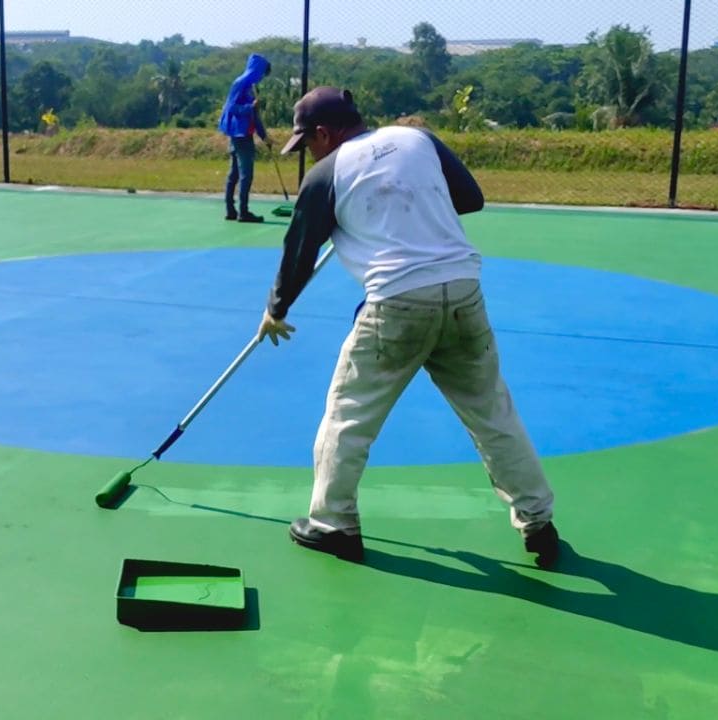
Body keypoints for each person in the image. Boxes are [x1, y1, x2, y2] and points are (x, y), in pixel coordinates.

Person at [256, 86, 560, 568]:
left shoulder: (326, 174)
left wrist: (277, 308)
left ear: (324, 133)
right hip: (463, 291)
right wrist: (407, 211)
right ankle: (538, 521)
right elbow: (470, 198)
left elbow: (300, 251)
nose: (306, 153)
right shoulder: (420, 141)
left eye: (306, 143)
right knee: (492, 414)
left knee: (349, 416)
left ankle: (333, 523)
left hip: (398, 304)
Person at [218, 53, 273, 223]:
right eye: (262, 73)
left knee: (234, 173)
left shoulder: (251, 86)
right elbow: (232, 107)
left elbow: (254, 116)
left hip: (243, 133)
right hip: (240, 134)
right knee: (245, 174)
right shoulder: (241, 83)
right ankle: (242, 211)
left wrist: (264, 136)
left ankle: (231, 210)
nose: (262, 77)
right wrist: (251, 106)